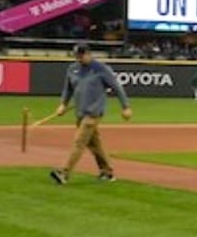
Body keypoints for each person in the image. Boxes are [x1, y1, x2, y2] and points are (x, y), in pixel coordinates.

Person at [48, 42, 133, 185]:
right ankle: (107, 172)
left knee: (79, 142)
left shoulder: (101, 69)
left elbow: (117, 88)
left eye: (81, 55)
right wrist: (63, 104)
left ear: (88, 54)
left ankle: (64, 172)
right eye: (77, 56)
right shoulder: (73, 69)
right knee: (94, 144)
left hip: (94, 113)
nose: (79, 58)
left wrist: (126, 107)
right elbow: (68, 89)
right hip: (80, 113)